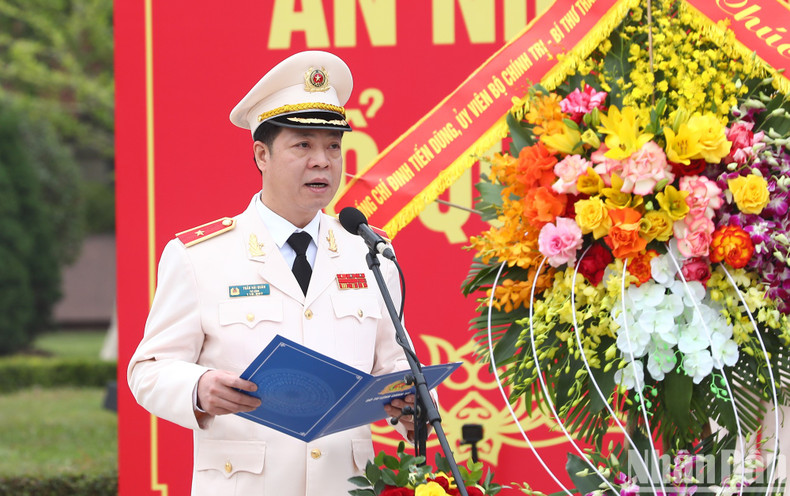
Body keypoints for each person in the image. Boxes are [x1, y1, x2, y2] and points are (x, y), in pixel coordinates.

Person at [127, 50, 421, 496]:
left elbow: (395, 366)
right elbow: (148, 369)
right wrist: (198, 387)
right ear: (261, 154)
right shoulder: (200, 255)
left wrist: (409, 404)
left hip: (347, 485)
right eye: (303, 145)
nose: (322, 160)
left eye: (333, 146)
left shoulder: (371, 252)